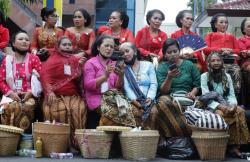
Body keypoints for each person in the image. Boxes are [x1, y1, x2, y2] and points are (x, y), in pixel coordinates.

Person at [40, 36, 87, 148]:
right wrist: (49, 92)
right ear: (58, 46)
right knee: (51, 110)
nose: (67, 47)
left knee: (79, 109)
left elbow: (78, 80)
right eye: (64, 44)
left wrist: (79, 67)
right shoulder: (52, 60)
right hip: (54, 94)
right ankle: (56, 143)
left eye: (69, 45)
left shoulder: (75, 60)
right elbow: (44, 76)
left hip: (72, 95)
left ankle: (76, 143)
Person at [200, 52, 249, 159]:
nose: (216, 63)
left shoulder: (227, 76)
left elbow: (231, 95)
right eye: (213, 61)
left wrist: (232, 106)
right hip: (212, 106)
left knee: (239, 111)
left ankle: (235, 147)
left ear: (222, 62)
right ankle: (224, 146)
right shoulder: (204, 76)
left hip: (227, 104)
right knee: (220, 115)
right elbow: (206, 97)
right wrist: (221, 107)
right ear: (208, 63)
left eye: (218, 60)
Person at [156, 38, 200, 138]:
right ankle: (183, 133)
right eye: (169, 52)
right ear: (165, 54)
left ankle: (179, 134)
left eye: (175, 51)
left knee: (202, 103)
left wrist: (193, 93)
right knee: (163, 102)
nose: (173, 54)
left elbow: (197, 84)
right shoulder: (162, 67)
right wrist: (169, 77)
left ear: (179, 51)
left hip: (188, 96)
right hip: (169, 97)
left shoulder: (189, 65)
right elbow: (163, 90)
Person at [0, 31, 41, 132]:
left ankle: (26, 139)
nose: (24, 41)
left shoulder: (34, 59)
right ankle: (9, 138)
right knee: (7, 107)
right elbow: (1, 80)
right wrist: (11, 94)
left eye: (27, 40)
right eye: (21, 39)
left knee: (27, 106)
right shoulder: (7, 60)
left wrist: (30, 92)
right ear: (13, 43)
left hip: (29, 95)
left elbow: (40, 78)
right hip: (11, 95)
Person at [83, 35, 124, 129]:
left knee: (130, 111)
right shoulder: (91, 63)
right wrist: (105, 76)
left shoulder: (113, 64)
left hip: (112, 98)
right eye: (106, 46)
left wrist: (121, 76)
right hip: (96, 98)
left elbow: (117, 87)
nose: (109, 49)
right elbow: (88, 85)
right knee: (114, 113)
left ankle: (116, 142)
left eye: (112, 47)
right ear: (98, 47)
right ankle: (104, 139)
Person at [119, 42, 158, 129]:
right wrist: (136, 102)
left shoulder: (148, 65)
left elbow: (153, 84)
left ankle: (150, 138)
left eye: (127, 51)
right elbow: (127, 87)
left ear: (135, 51)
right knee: (135, 112)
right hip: (133, 101)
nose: (125, 54)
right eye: (122, 53)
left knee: (153, 112)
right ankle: (135, 139)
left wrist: (150, 98)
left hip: (148, 100)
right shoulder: (123, 69)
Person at [204, 13, 241, 95]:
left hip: (230, 62)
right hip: (214, 62)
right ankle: (216, 96)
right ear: (215, 24)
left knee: (236, 70)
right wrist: (220, 50)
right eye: (221, 22)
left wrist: (230, 51)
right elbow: (205, 50)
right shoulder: (210, 35)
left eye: (226, 22)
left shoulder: (231, 37)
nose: (224, 24)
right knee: (220, 69)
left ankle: (233, 96)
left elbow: (238, 50)